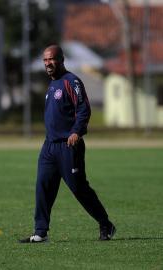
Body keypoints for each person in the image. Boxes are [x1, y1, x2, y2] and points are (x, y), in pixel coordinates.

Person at [19, 45, 115, 243]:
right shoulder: (52, 84)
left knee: (79, 188)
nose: (48, 63)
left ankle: (105, 223)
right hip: (49, 147)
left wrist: (76, 131)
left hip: (68, 146)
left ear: (61, 60)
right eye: (45, 60)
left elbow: (84, 109)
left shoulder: (72, 82)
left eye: (51, 59)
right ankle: (40, 232)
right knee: (43, 187)